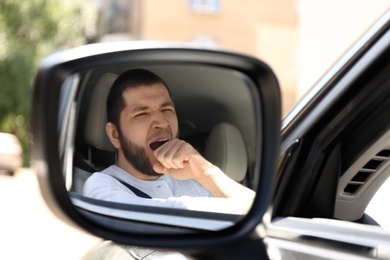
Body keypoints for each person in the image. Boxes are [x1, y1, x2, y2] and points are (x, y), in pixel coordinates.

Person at [83, 69, 255, 214]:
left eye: (167, 109)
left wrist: (206, 173)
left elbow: (259, 214)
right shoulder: (100, 185)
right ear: (115, 135)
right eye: (141, 113)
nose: (162, 122)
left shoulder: (193, 180)